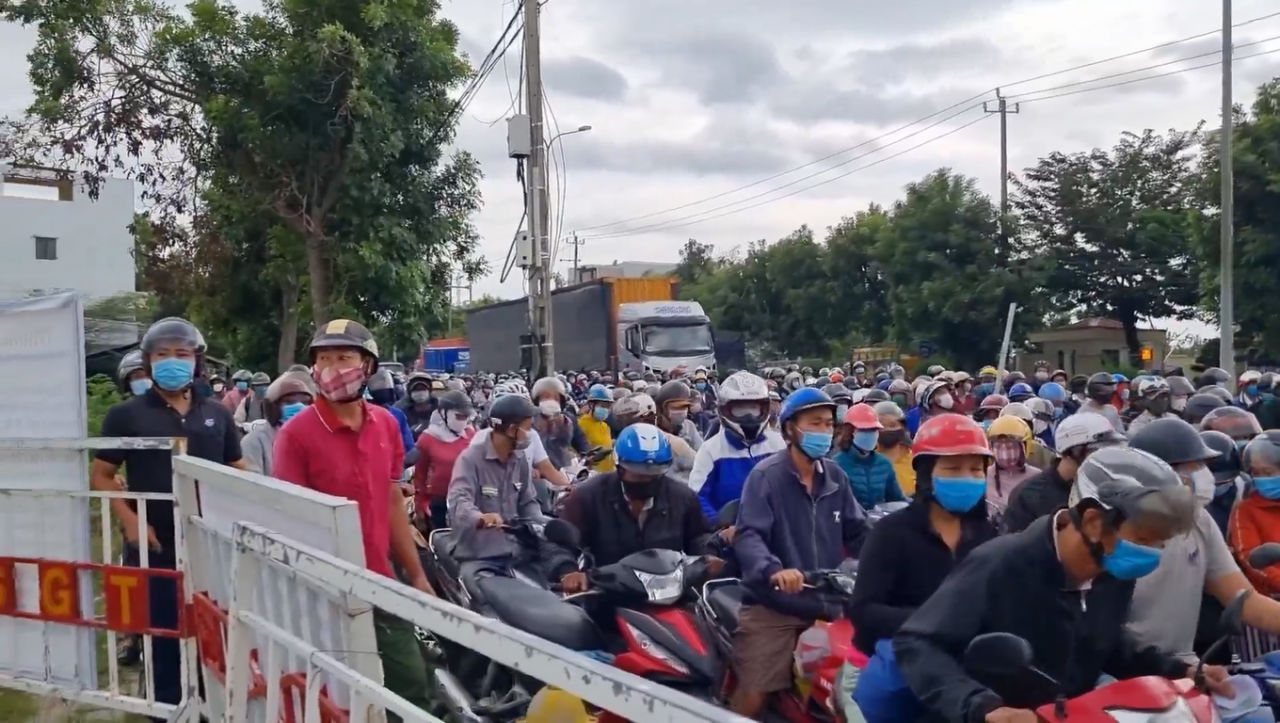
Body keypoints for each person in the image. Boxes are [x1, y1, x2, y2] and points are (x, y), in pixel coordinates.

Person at [894, 447, 1223, 723]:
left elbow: (1103, 643)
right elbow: (919, 643)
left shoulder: (1111, 572)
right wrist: (982, 706)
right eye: (1142, 539)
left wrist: (1182, 669)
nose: (1152, 554)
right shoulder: (1001, 563)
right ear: (1094, 522)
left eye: (1159, 544)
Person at [271, 319, 435, 715]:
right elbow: (289, 516)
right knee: (336, 696)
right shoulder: (296, 435)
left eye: (344, 357)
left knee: (411, 685)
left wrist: (416, 575)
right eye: (323, 358)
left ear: (369, 367)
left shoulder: (386, 424)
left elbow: (392, 500)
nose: (331, 367)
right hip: (322, 590)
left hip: (379, 577)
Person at [92, 318, 247, 719]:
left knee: (215, 630)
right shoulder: (126, 415)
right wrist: (129, 520)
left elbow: (238, 467)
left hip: (211, 543)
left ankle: (210, 707)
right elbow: (102, 476)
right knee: (163, 635)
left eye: (182, 354)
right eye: (162, 355)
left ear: (197, 361)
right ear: (148, 361)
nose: (172, 362)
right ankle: (165, 710)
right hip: (155, 544)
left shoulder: (217, 414)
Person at [730, 387, 869, 718]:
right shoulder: (766, 476)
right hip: (775, 606)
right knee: (756, 691)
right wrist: (773, 570)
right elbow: (749, 533)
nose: (823, 431)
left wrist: (884, 559)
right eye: (815, 423)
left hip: (831, 602)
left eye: (828, 424)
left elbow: (860, 531)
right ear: (790, 428)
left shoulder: (836, 475)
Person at [1127, 418, 1280, 687]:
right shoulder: (1118, 531)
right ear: (1160, 472)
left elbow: (1243, 599)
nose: (1205, 475)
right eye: (1195, 467)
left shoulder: (1199, 520)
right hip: (1125, 675)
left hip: (1184, 670)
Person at [850, 414, 998, 656]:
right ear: (927, 475)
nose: (967, 478)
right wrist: (935, 620)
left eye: (975, 470)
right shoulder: (891, 533)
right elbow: (864, 611)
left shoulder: (988, 534)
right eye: (953, 469)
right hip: (895, 662)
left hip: (964, 665)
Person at [446, 393, 574, 607]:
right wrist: (480, 518)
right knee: (483, 606)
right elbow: (459, 501)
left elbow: (527, 503)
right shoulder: (470, 459)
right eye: (528, 427)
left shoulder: (520, 460)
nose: (531, 434)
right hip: (478, 555)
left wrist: (544, 523)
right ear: (511, 429)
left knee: (549, 601)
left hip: (516, 553)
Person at [557, 423, 715, 593]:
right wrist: (568, 570)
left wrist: (709, 555)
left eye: (654, 474)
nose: (647, 481)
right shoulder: (587, 497)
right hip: (605, 594)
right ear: (620, 468)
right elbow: (560, 543)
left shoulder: (683, 497)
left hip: (669, 592)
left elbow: (697, 536)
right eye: (638, 475)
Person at [1003, 412, 1124, 533]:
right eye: (1097, 451)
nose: (1106, 457)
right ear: (1072, 452)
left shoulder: (1109, 486)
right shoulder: (1029, 495)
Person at [689, 371, 786, 521]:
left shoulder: (779, 444)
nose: (749, 416)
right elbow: (697, 497)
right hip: (730, 535)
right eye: (740, 409)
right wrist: (719, 526)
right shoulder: (711, 450)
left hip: (777, 530)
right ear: (724, 409)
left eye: (754, 408)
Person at [412, 389, 475, 530]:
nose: (462, 421)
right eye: (458, 416)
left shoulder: (471, 434)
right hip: (438, 501)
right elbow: (420, 474)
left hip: (468, 500)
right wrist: (420, 504)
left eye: (466, 417)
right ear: (443, 413)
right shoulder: (428, 438)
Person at [1232, 431, 1280, 595]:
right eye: (1256, 473)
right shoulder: (1246, 510)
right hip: (1271, 600)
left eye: (1268, 473)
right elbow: (1248, 557)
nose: (1262, 479)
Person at [240, 371, 314, 476]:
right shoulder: (255, 441)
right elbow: (252, 487)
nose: (299, 406)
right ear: (273, 407)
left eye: (305, 402)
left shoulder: (317, 439)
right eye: (289, 402)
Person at [833, 404, 906, 510]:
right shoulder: (836, 465)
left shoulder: (884, 464)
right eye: (864, 430)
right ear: (850, 432)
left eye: (874, 430)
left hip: (879, 523)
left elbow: (897, 499)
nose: (871, 434)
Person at [531, 376, 590, 469]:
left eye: (556, 398)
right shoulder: (529, 420)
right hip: (536, 472)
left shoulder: (569, 419)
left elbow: (580, 440)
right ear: (537, 400)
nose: (551, 401)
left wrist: (587, 454)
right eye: (546, 397)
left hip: (564, 470)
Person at [985, 416, 1041, 512]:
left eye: (1011, 446)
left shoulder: (1037, 477)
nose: (1005, 453)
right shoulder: (984, 476)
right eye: (998, 446)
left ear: (1024, 447)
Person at [367, 368, 415, 462]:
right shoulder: (361, 414)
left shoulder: (397, 414)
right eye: (376, 384)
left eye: (384, 382)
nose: (381, 386)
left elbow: (409, 445)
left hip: (397, 466)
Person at [874, 400, 916, 496]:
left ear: (902, 427)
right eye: (881, 426)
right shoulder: (867, 461)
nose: (886, 430)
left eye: (892, 425)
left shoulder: (917, 461)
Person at [577, 384, 616, 472]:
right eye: (602, 406)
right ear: (591, 404)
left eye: (608, 407)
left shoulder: (605, 426)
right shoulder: (581, 424)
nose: (606, 410)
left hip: (608, 475)